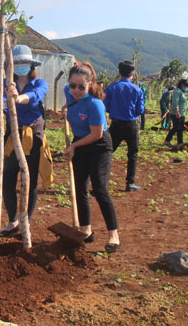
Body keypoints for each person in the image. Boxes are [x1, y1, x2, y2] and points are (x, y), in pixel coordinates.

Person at [64, 61, 120, 252]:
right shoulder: (68, 92)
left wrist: (74, 145)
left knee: (100, 189)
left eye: (82, 86)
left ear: (90, 84)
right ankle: (86, 230)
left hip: (99, 146)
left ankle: (114, 235)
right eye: (73, 85)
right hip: (80, 143)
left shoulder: (95, 104)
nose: (76, 90)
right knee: (80, 188)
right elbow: (70, 88)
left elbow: (96, 134)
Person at [1, 45, 49, 237]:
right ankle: (13, 221)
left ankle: (26, 221)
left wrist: (18, 98)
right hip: (12, 133)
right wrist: (2, 102)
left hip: (32, 134)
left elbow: (35, 97)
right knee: (8, 180)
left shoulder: (40, 83)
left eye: (24, 63)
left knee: (30, 181)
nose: (21, 66)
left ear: (31, 65)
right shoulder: (5, 84)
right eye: (17, 63)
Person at [104, 60, 144, 192]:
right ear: (132, 73)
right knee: (132, 153)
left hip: (116, 124)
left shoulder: (111, 88)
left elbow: (106, 106)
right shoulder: (137, 90)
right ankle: (130, 183)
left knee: (107, 152)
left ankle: (102, 182)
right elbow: (140, 110)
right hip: (131, 125)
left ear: (119, 72)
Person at [164, 78, 188, 146]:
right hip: (176, 113)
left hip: (181, 113)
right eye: (186, 86)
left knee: (180, 128)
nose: (186, 88)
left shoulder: (181, 92)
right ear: (182, 85)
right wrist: (177, 111)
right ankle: (167, 141)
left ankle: (180, 143)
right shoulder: (177, 91)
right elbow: (175, 102)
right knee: (176, 127)